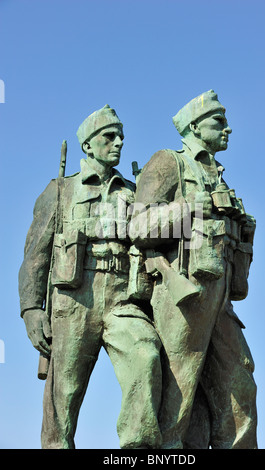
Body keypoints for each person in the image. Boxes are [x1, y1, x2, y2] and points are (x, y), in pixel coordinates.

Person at [18, 105, 163, 449]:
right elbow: (35, 255)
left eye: (121, 137)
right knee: (63, 397)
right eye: (109, 137)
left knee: (146, 355)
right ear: (87, 145)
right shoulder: (59, 191)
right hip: (74, 297)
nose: (118, 143)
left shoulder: (133, 192)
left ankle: (138, 448)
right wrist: (31, 309)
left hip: (123, 298)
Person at [129, 90, 258, 449]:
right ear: (195, 126)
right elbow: (137, 228)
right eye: (219, 121)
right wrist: (187, 208)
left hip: (221, 300)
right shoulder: (169, 162)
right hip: (184, 296)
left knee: (240, 387)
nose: (228, 128)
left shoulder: (218, 175)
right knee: (178, 396)